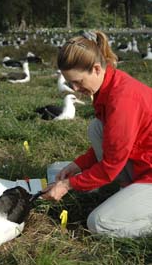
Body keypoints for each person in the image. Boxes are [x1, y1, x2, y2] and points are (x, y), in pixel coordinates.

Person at [42, 30, 152, 238]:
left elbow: (110, 166)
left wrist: (67, 184)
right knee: (96, 128)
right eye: (70, 83)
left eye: (78, 82)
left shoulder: (122, 100)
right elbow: (113, 144)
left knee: (99, 223)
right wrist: (77, 166)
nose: (74, 89)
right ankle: (129, 190)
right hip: (144, 162)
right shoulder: (108, 86)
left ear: (96, 68)